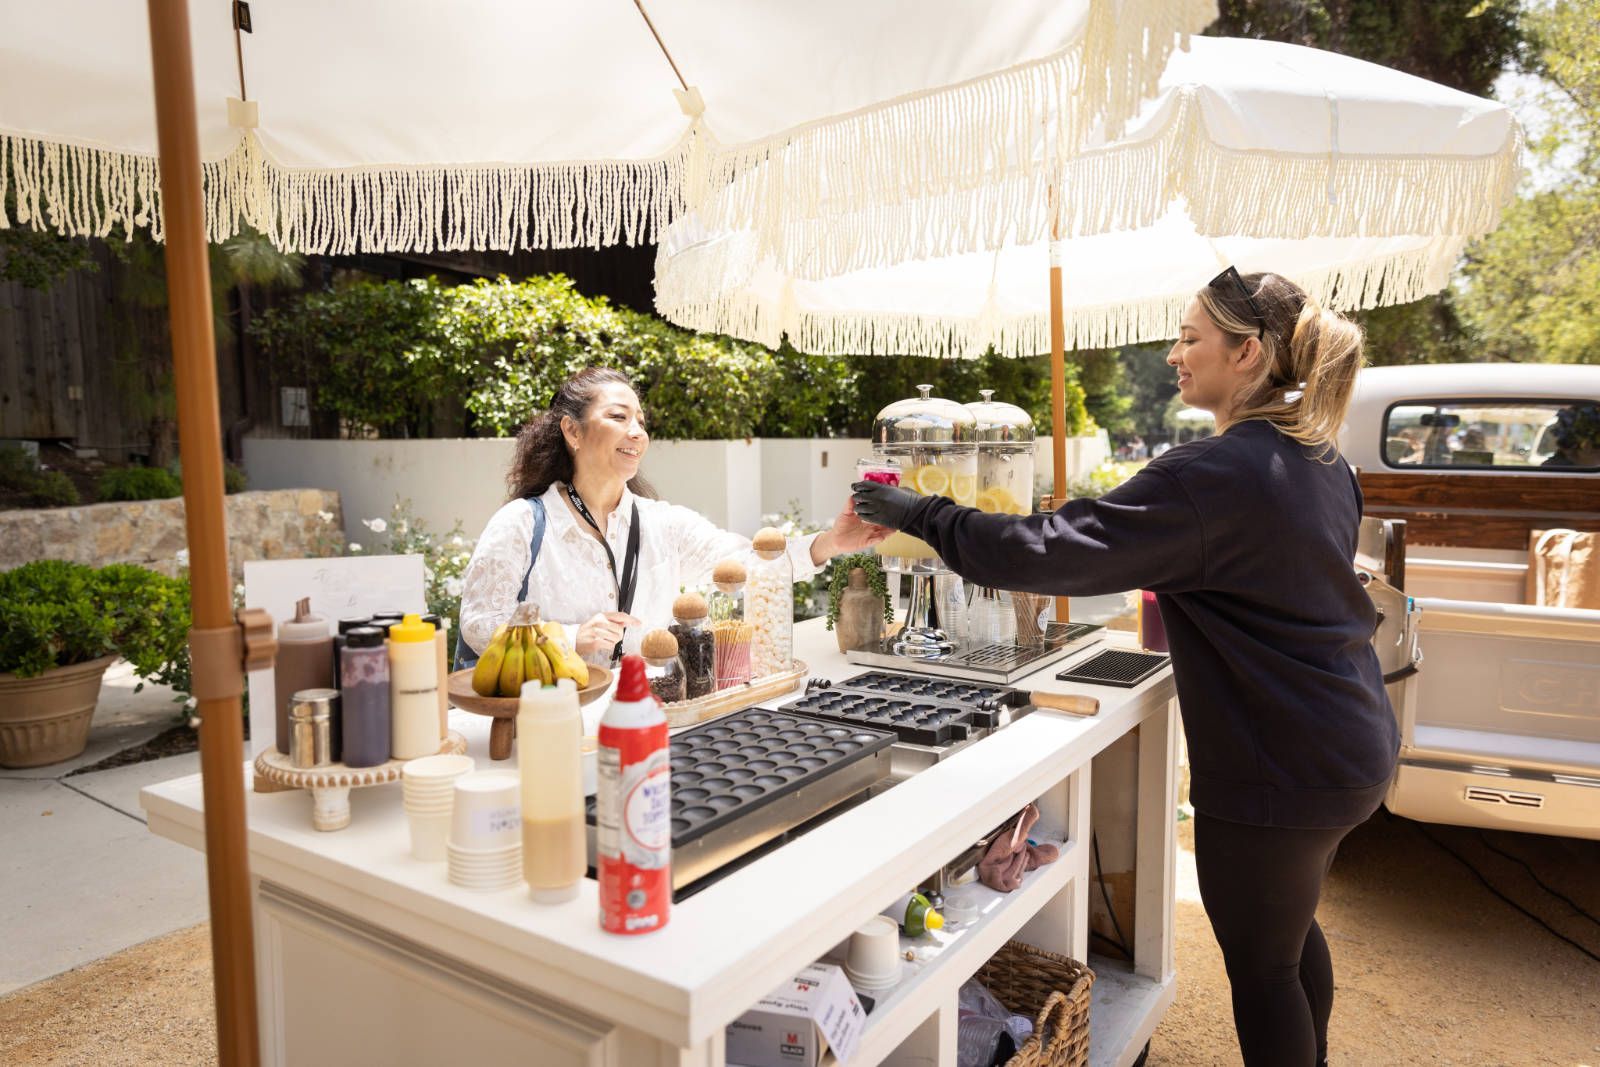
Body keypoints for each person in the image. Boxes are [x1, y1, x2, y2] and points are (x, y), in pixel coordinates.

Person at [853, 269, 1397, 1067]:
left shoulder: (1214, 473)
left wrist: (922, 513)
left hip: (1281, 763)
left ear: (1247, 353)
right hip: (1350, 738)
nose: (1175, 354)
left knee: (1264, 965)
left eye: (1191, 337)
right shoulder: (1318, 458)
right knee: (1289, 933)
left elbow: (1048, 550)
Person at [458, 367, 886, 666]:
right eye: (618, 417)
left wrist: (832, 542)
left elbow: (744, 564)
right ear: (572, 431)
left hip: (644, 715)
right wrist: (570, 638)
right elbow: (479, 624)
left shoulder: (662, 524)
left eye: (641, 421)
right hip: (549, 722)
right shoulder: (522, 523)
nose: (637, 432)